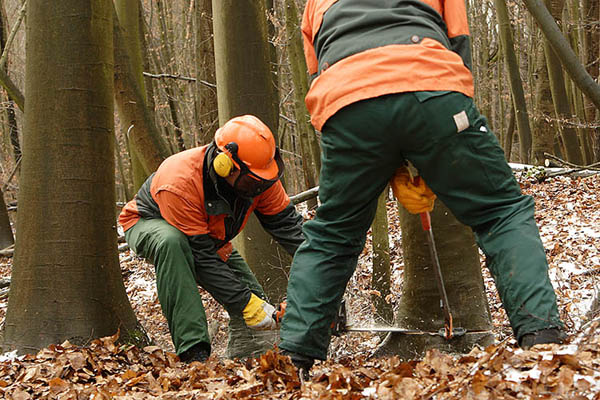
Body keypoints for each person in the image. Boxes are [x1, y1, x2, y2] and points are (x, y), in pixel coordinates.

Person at [279, 0, 565, 376]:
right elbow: (458, 42)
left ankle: (291, 361)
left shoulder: (316, 2)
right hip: (431, 85)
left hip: (344, 105)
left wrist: (387, 157)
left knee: (332, 234)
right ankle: (542, 339)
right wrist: (435, 141)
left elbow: (318, 72)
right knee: (501, 211)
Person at [119, 115, 304, 362]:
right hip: (149, 223)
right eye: (251, 181)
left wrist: (322, 269)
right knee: (172, 243)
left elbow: (289, 226)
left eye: (262, 181)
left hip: (207, 237)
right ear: (223, 165)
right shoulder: (180, 181)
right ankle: (193, 351)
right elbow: (202, 257)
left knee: (256, 308)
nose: (257, 188)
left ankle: (246, 355)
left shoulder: (260, 178)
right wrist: (244, 301)